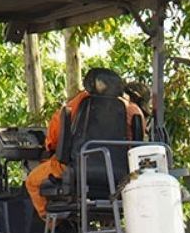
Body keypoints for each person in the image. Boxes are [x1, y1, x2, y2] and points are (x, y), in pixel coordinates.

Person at [25, 68, 146, 219]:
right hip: (120, 176)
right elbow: (138, 142)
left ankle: (54, 228)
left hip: (78, 170)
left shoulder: (79, 103)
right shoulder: (133, 110)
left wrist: (49, 148)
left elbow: (54, 137)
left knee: (32, 181)